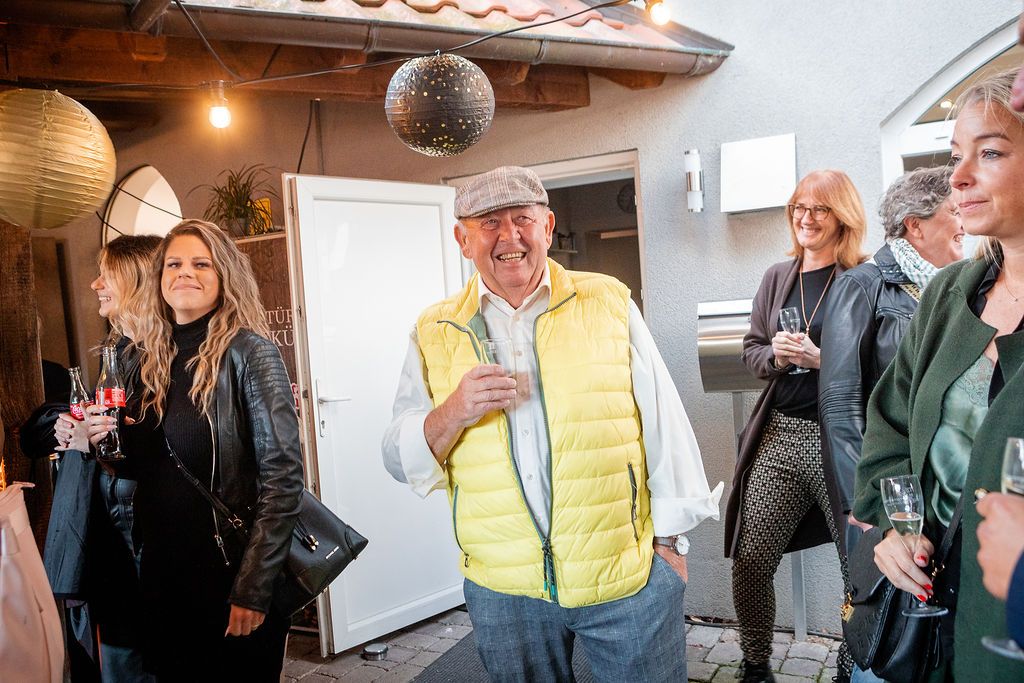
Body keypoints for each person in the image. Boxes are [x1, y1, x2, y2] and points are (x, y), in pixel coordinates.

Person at [381, 165, 722, 682]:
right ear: (462, 239)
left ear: (547, 226)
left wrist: (670, 547)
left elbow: (664, 421)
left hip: (622, 576)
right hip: (504, 589)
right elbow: (397, 456)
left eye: (523, 219)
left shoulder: (606, 301)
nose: (509, 236)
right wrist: (455, 410)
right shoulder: (435, 329)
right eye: (489, 223)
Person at [852, 68, 1024, 680]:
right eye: (956, 156)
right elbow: (890, 427)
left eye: (990, 152)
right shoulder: (950, 294)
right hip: (924, 618)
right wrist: (892, 529)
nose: (958, 178)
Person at [87, 219, 304, 681]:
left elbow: (283, 480)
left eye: (201, 264)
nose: (185, 272)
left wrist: (253, 589)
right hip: (163, 575)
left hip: (229, 574)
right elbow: (143, 466)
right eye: (174, 264)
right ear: (159, 277)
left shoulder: (250, 354)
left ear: (224, 275)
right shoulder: (146, 356)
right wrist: (99, 440)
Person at [726, 170, 867, 683]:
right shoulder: (776, 276)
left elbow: (887, 364)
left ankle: (852, 665)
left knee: (859, 567)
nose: (806, 218)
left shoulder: (864, 279)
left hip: (842, 443)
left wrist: (822, 359)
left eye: (819, 209)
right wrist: (779, 357)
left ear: (842, 216)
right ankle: (756, 664)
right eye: (798, 207)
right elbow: (751, 349)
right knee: (750, 558)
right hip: (781, 435)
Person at [820, 165, 962, 554]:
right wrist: (869, 502)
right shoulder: (861, 285)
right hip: (892, 489)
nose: (964, 224)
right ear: (915, 226)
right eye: (954, 212)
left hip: (943, 485)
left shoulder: (956, 289)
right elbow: (840, 405)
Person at [42, 235, 162, 682]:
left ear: (136, 281)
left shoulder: (168, 355)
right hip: (115, 517)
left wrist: (93, 441)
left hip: (144, 522)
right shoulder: (121, 350)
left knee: (137, 649)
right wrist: (77, 428)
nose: (95, 284)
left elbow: (169, 445)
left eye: (106, 275)